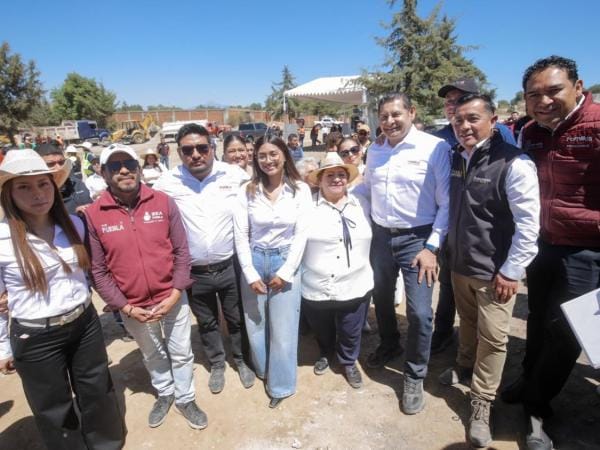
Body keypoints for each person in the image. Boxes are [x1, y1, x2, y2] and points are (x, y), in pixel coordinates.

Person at [501, 56, 600, 450]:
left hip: (586, 250)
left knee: (567, 332)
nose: (543, 101)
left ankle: (536, 407)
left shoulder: (596, 126)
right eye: (533, 95)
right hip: (542, 246)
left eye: (553, 90)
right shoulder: (530, 133)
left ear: (578, 87)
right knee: (538, 320)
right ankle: (529, 379)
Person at [0, 149, 125, 449]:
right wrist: (3, 346)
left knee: (97, 388)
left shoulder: (73, 225)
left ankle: (106, 444)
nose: (37, 194)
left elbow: (89, 271)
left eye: (43, 184)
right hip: (36, 336)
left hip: (84, 322)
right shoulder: (2, 239)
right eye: (24, 187)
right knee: (53, 408)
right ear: (9, 193)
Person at [439, 94, 540, 447]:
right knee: (467, 322)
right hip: (460, 265)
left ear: (493, 120)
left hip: (495, 273)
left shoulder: (514, 163)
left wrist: (511, 271)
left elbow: (529, 225)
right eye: (458, 120)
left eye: (473, 118)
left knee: (494, 339)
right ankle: (465, 364)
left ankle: (482, 400)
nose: (464, 126)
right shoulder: (456, 156)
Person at [85, 143, 207, 430]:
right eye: (115, 166)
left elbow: (182, 252)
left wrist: (176, 293)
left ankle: (185, 398)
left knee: (181, 352)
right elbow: (98, 270)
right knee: (152, 353)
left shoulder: (163, 202)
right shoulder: (93, 214)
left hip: (172, 297)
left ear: (139, 168)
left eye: (129, 164)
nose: (124, 170)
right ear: (104, 174)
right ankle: (165, 392)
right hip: (133, 305)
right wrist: (125, 307)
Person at [360, 93, 450, 415]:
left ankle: (414, 375)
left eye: (396, 114)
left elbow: (447, 202)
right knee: (382, 299)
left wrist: (432, 246)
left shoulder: (435, 148)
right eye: (384, 116)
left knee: (421, 313)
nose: (390, 121)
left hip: (418, 240)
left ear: (411, 112)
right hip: (381, 236)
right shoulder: (375, 150)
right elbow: (366, 188)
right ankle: (390, 344)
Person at [153, 124, 255, 394]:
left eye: (201, 148)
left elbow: (262, 194)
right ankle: (217, 363)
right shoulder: (167, 183)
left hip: (230, 266)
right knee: (207, 321)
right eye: (188, 150)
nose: (196, 154)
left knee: (236, 318)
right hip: (194, 272)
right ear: (179, 153)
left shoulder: (233, 175)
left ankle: (241, 360)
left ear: (212, 148)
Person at [430, 77, 518, 355]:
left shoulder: (500, 135)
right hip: (452, 229)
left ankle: (481, 352)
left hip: (487, 237)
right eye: (448, 102)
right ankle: (444, 334)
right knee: (449, 288)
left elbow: (507, 173)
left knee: (486, 304)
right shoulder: (439, 138)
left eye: (458, 100)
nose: (451, 106)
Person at [233, 135, 312, 408]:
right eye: (262, 155)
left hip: (285, 258)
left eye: (273, 154)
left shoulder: (300, 190)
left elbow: (302, 234)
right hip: (255, 258)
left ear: (284, 155)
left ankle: (281, 385)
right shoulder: (247, 190)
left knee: (284, 326)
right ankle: (263, 369)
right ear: (255, 159)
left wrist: (287, 271)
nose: (268, 160)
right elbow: (241, 235)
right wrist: (250, 273)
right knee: (256, 323)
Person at [302, 152, 372, 389]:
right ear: (320, 180)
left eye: (341, 174)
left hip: (355, 282)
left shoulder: (362, 203)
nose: (336, 179)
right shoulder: (306, 206)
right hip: (316, 284)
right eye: (329, 175)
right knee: (322, 327)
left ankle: (348, 361)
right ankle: (326, 351)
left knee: (351, 328)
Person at [35, 142, 93, 216]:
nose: (59, 168)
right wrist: (74, 216)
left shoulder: (77, 184)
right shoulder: (35, 194)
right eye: (50, 164)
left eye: (61, 162)